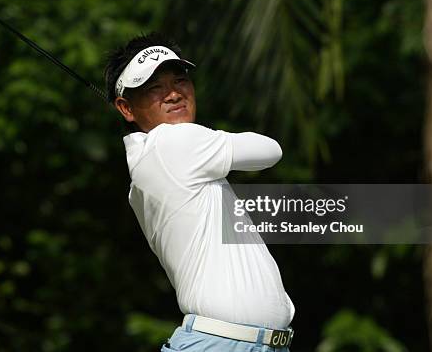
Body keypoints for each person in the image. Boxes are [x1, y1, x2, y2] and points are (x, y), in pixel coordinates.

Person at [104, 32, 295, 351]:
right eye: (154, 88)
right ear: (126, 107)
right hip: (222, 344)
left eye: (180, 81)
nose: (173, 94)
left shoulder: (152, 158)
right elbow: (270, 150)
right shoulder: (172, 142)